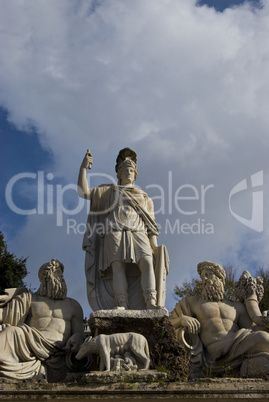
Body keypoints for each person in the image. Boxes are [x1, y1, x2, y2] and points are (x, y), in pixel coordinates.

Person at [78, 147, 168, 310]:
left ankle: (150, 302)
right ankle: (122, 303)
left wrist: (154, 244)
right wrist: (83, 168)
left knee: (147, 263)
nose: (128, 172)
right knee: (117, 267)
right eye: (125, 169)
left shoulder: (145, 197)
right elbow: (83, 192)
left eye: (131, 169)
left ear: (136, 173)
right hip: (114, 230)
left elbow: (151, 224)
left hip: (138, 231)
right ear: (118, 173)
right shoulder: (108, 191)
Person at [169, 261, 269, 377]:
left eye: (208, 274)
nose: (204, 279)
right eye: (202, 276)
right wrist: (181, 319)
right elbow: (167, 325)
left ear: (220, 278)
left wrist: (265, 320)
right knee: (264, 338)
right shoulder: (192, 302)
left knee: (265, 338)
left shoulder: (236, 307)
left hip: (238, 343)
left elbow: (254, 329)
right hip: (215, 352)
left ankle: (250, 366)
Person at [0, 259, 85, 380]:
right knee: (11, 332)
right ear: (43, 278)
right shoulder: (30, 299)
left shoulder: (73, 305)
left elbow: (80, 333)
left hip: (60, 350)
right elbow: (5, 315)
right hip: (30, 343)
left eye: (60, 272)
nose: (59, 276)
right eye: (54, 272)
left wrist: (78, 337)